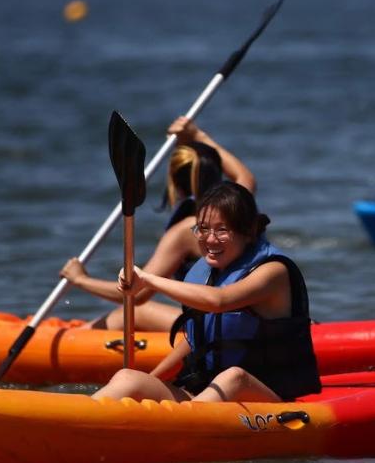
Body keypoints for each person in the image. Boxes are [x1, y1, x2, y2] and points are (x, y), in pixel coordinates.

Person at [91, 182, 320, 403]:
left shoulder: (272, 272)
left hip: (265, 396)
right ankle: (67, 427)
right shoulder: (210, 271)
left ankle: (184, 427)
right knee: (127, 377)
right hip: (207, 395)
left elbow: (219, 301)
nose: (210, 239)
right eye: (203, 229)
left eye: (222, 230)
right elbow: (196, 341)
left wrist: (148, 280)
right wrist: (151, 379)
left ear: (248, 232)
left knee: (233, 377)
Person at [60, 117, 256, 330]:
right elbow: (245, 176)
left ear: (174, 183)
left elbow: (137, 294)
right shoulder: (239, 207)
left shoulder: (189, 230)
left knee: (136, 312)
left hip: (220, 323)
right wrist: (197, 135)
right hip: (251, 315)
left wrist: (80, 279)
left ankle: (76, 337)